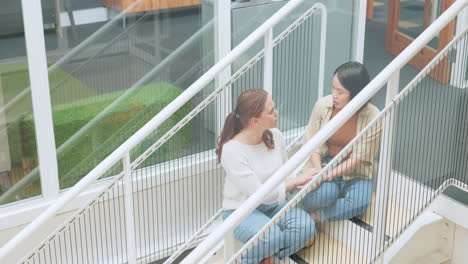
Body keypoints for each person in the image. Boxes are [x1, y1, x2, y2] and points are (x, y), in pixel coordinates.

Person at [217, 89, 317, 264]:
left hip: (274, 204)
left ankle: (267, 256)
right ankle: (251, 259)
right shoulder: (232, 151)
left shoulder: (276, 136)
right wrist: (295, 181)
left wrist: (301, 178)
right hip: (242, 209)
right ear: (255, 121)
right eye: (271, 111)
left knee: (306, 227)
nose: (276, 113)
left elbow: (286, 171)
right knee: (272, 236)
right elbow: (261, 195)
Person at [301, 62, 381, 222]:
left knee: (361, 202)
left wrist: (327, 177)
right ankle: (329, 192)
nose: (334, 96)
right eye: (333, 89)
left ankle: (317, 217)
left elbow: (357, 160)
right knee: (324, 195)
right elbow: (312, 143)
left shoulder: (373, 117)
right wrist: (319, 171)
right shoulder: (323, 106)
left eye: (340, 92)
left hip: (355, 171)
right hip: (325, 163)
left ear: (356, 94)